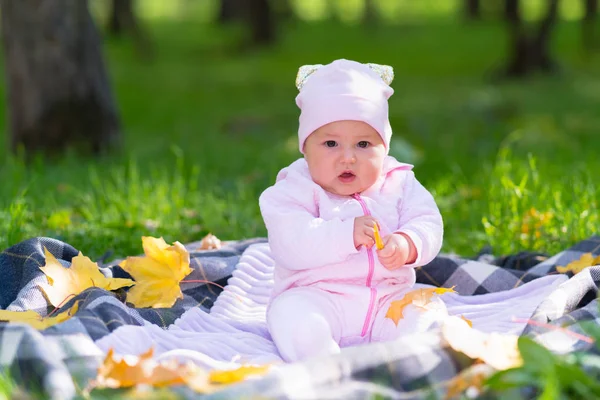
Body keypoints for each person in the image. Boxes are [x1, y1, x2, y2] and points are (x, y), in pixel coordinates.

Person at [259, 59, 446, 362]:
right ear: (305, 148)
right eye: (331, 143)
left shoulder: (398, 182)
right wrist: (344, 234)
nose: (348, 158)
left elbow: (427, 221)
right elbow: (290, 242)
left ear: (384, 147)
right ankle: (325, 365)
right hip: (317, 296)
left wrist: (409, 242)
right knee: (290, 316)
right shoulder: (293, 189)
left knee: (426, 310)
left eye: (363, 144)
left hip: (388, 299)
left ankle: (408, 360)